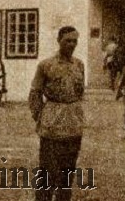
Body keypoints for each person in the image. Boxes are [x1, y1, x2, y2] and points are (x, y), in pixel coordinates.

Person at [30, 26, 85, 201]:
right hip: (52, 126)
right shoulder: (46, 65)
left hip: (73, 125)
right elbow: (35, 93)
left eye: (74, 41)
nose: (71, 44)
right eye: (67, 41)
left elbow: (79, 92)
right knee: (48, 172)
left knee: (67, 173)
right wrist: (41, 116)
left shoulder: (79, 65)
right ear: (59, 41)